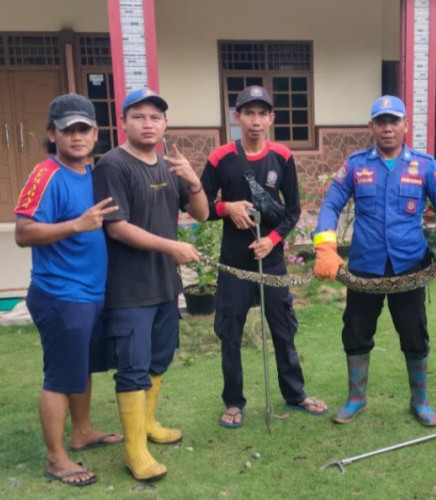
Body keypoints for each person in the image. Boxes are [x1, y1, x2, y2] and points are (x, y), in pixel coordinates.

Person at [313, 95, 436, 427]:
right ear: (371, 126)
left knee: (414, 332)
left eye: (394, 121)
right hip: (364, 269)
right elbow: (331, 205)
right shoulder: (355, 165)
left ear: (405, 126)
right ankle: (356, 399)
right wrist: (326, 246)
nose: (387, 128)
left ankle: (420, 401)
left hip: (409, 267)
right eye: (380, 122)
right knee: (356, 331)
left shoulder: (424, 165)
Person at [93, 88, 209, 481]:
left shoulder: (167, 165)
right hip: (129, 289)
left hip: (165, 285)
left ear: (165, 124)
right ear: (123, 121)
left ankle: (148, 424)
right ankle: (134, 450)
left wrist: (193, 181)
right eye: (139, 116)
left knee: (160, 358)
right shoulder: (112, 165)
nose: (148, 123)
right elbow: (118, 227)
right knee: (133, 367)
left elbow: (202, 213)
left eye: (155, 117)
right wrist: (172, 246)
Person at [200, 85, 327, 429]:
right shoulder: (220, 158)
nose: (255, 121)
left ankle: (295, 394)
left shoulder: (283, 157)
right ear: (236, 117)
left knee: (283, 329)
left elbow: (294, 210)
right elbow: (200, 207)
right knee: (230, 333)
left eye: (262, 114)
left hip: (270, 261)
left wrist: (272, 240)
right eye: (248, 113)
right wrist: (227, 208)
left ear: (271, 119)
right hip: (233, 262)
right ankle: (234, 402)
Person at [14, 93, 123, 486]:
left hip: (91, 292)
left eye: (84, 129)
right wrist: (75, 225)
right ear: (52, 133)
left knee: (83, 368)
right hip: (61, 294)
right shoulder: (46, 174)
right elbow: (23, 233)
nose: (77, 137)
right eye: (68, 130)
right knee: (60, 376)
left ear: (95, 133)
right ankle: (56, 458)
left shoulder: (93, 173)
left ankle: (82, 432)